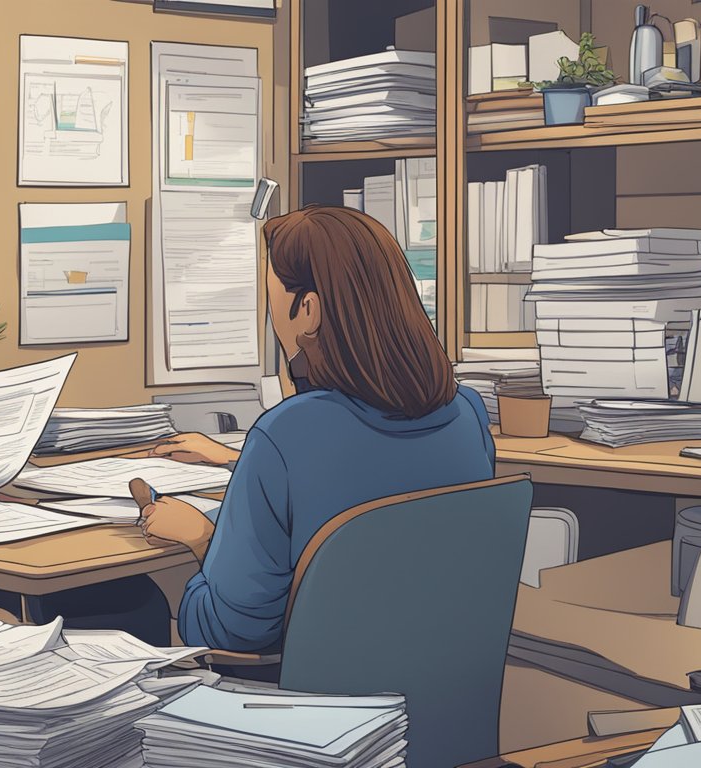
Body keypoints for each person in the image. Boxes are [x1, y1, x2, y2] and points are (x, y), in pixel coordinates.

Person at [133, 205, 497, 652]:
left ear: (307, 310)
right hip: (444, 687)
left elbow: (233, 631)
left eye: (271, 299)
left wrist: (200, 537)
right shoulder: (467, 413)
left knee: (129, 604)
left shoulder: (285, 435)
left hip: (310, 705)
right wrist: (237, 462)